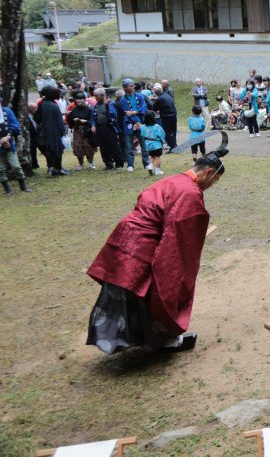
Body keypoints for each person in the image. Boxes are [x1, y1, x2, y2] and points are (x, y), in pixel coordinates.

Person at [86, 139, 227, 354]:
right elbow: (177, 234)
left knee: (132, 291)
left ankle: (138, 339)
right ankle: (162, 342)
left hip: (126, 234)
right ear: (207, 172)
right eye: (214, 181)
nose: (211, 186)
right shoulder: (190, 192)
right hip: (142, 242)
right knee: (155, 291)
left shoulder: (175, 180)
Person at [116, 78, 149, 172]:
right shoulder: (122, 100)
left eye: (133, 85)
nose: (133, 87)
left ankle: (146, 163)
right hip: (128, 123)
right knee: (129, 145)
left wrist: (135, 112)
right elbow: (127, 113)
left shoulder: (140, 96)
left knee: (144, 144)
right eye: (130, 86)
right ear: (125, 88)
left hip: (140, 123)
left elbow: (144, 108)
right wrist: (135, 119)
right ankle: (130, 164)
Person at [36, 85, 68, 176]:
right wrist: (63, 131)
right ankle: (57, 169)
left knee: (49, 150)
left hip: (45, 131)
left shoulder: (42, 104)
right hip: (54, 132)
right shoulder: (53, 105)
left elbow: (37, 118)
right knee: (57, 149)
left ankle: (52, 167)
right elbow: (59, 121)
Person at [0, 101, 30, 194]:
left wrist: (8, 137)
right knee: (0, 169)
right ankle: (7, 189)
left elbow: (15, 125)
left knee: (16, 166)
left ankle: (23, 185)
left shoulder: (7, 111)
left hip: (8, 144)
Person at [90, 88, 124, 170]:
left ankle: (119, 163)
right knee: (103, 147)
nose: (95, 98)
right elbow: (93, 118)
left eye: (96, 96)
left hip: (109, 127)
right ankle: (108, 164)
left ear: (102, 95)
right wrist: (93, 125)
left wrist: (107, 106)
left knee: (113, 146)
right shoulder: (96, 106)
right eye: (94, 96)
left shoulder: (110, 104)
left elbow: (113, 115)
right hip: (99, 128)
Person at [67, 91, 97, 171]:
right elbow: (70, 122)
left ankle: (91, 163)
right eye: (77, 99)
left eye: (80, 99)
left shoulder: (89, 110)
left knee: (89, 147)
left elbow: (93, 121)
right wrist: (73, 119)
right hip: (77, 130)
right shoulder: (73, 110)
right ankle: (80, 164)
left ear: (84, 99)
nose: (78, 100)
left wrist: (86, 121)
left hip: (87, 130)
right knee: (78, 147)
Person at [140, 111, 166, 176]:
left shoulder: (143, 127)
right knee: (157, 157)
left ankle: (150, 166)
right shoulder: (157, 127)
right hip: (156, 144)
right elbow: (161, 135)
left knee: (152, 156)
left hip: (148, 145)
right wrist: (163, 141)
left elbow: (142, 134)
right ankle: (158, 171)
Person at [153, 83, 178, 150]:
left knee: (167, 132)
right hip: (173, 115)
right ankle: (174, 144)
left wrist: (154, 101)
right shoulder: (166, 95)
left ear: (156, 93)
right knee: (173, 131)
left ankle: (172, 147)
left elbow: (155, 108)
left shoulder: (160, 99)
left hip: (166, 117)